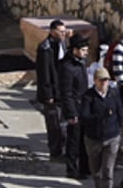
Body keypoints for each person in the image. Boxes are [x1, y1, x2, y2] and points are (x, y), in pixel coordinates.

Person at [81, 67, 123, 188]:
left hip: (112, 137)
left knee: (108, 170)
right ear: (95, 81)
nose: (104, 83)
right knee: (96, 170)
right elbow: (85, 116)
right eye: (102, 81)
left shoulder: (113, 94)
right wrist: (100, 118)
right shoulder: (88, 96)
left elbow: (120, 112)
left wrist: (119, 130)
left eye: (106, 80)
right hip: (94, 139)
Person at [58, 34, 92, 179]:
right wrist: (71, 114)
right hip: (75, 108)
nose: (86, 53)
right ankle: (72, 169)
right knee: (74, 141)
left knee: (85, 140)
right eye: (84, 50)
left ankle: (85, 168)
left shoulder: (79, 63)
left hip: (83, 106)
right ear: (75, 50)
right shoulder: (67, 67)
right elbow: (66, 93)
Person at [35, 19, 68, 160]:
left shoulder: (62, 45)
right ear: (52, 32)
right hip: (52, 92)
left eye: (64, 32)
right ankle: (55, 152)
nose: (63, 34)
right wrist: (48, 94)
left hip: (62, 89)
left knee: (63, 124)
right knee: (54, 124)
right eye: (61, 32)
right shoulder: (45, 48)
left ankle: (62, 149)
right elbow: (44, 73)